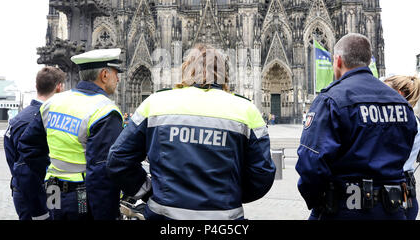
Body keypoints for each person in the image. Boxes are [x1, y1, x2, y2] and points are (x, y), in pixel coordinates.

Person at [106, 44, 276, 220]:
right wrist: (230, 194)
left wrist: (149, 190)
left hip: (164, 217)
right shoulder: (246, 109)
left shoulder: (156, 103)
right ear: (226, 73)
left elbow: (118, 159)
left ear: (186, 69)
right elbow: (263, 173)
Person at [296, 33, 418, 220]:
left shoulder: (331, 100)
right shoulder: (401, 104)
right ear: (368, 61)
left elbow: (311, 164)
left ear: (337, 60)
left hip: (343, 210)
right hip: (393, 211)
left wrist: (319, 201)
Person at [17, 48, 124, 220]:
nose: (118, 78)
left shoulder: (53, 103)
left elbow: (27, 146)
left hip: (53, 190)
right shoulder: (104, 109)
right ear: (104, 75)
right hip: (80, 195)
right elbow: (102, 171)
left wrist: (49, 169)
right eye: (115, 73)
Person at [4, 67, 66, 220]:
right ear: (59, 87)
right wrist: (40, 213)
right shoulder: (37, 119)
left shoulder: (21, 117)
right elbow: (25, 169)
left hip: (42, 190)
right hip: (36, 193)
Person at [384, 75, 420, 220]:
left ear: (398, 93)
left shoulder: (400, 122)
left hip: (395, 192)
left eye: (384, 90)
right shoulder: (414, 120)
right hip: (407, 191)